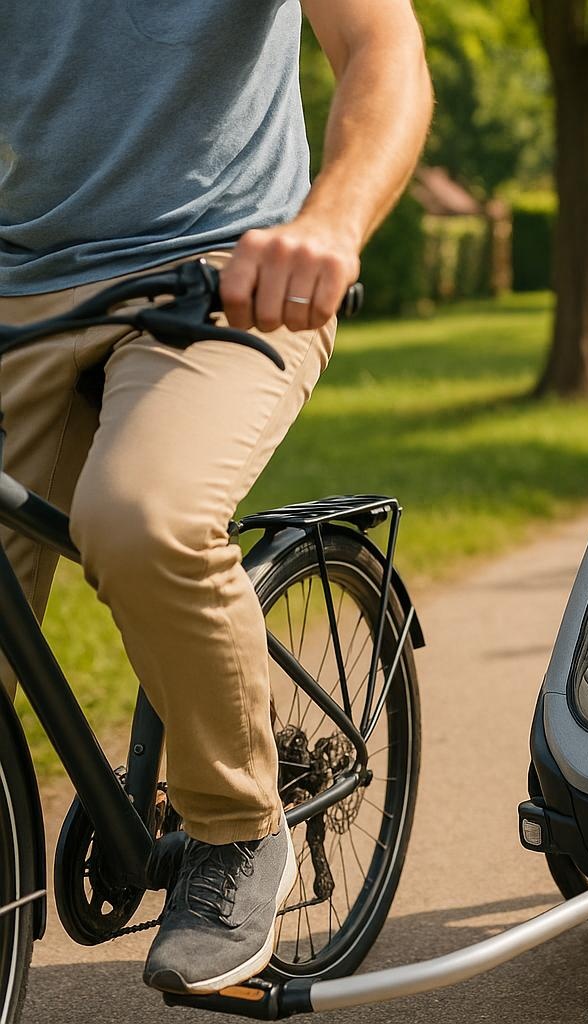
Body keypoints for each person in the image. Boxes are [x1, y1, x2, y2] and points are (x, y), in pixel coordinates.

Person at [0, 0, 432, 994]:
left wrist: (331, 219)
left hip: (227, 278)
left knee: (142, 518)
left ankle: (238, 824)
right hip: (23, 289)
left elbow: (381, 46)